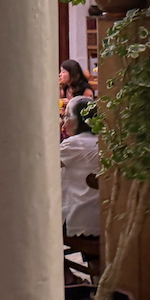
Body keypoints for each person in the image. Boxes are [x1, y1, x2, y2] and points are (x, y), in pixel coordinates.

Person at [61, 96, 101, 238]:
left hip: (79, 216)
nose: (64, 121)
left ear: (80, 120)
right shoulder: (102, 140)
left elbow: (45, 166)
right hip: (100, 216)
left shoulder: (74, 144)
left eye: (67, 116)